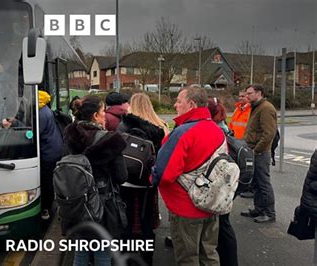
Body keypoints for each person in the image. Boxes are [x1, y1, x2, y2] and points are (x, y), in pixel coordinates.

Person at [152, 85, 223, 265]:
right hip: (211, 203)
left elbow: (165, 174)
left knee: (187, 258)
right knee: (209, 253)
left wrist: (152, 177)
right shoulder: (217, 130)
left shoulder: (182, 132)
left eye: (179, 101)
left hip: (185, 207)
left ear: (191, 104)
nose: (175, 105)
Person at [64, 95, 128, 266]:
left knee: (81, 251)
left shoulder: (70, 136)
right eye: (102, 111)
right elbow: (121, 177)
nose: (105, 115)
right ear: (95, 116)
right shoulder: (111, 140)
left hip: (76, 202)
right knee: (102, 252)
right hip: (102, 205)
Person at [116, 93, 168, 265]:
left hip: (126, 179)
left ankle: (127, 257)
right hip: (147, 181)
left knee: (127, 220)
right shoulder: (161, 128)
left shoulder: (122, 125)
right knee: (147, 220)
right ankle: (147, 258)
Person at [207, 97, 238, 266]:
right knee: (223, 221)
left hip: (220, 181)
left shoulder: (215, 129)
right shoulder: (223, 126)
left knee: (222, 224)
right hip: (228, 180)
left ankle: (228, 261)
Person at [241, 84, 277, 223]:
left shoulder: (266, 108)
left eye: (250, 93)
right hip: (253, 150)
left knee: (263, 183)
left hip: (260, 153)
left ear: (259, 93)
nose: (247, 96)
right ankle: (259, 209)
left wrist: (256, 150)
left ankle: (269, 212)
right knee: (255, 182)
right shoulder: (256, 107)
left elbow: (269, 134)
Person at [38, 90, 63, 220]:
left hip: (48, 152)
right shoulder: (46, 110)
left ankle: (46, 208)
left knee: (46, 181)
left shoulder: (40, 114)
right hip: (54, 149)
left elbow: (35, 133)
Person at [230, 90, 254, 199]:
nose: (240, 98)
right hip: (236, 143)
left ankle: (249, 188)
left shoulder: (250, 110)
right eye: (239, 96)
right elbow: (232, 124)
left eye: (243, 96)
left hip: (245, 143)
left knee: (247, 168)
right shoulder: (237, 109)